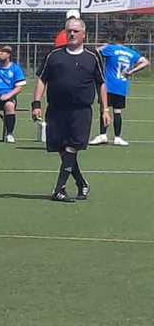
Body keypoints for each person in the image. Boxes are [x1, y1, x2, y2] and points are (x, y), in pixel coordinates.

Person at [31, 18, 109, 202]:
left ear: (84, 34)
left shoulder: (92, 56)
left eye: (75, 31)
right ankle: (82, 183)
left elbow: (101, 83)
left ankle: (59, 189)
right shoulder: (54, 55)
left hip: (80, 111)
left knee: (71, 147)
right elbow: (42, 79)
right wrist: (36, 104)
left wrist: (105, 109)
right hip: (56, 110)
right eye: (69, 31)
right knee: (62, 149)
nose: (72, 34)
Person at [91, 21, 149, 146]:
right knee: (117, 111)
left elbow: (95, 52)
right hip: (121, 86)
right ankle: (117, 137)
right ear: (125, 37)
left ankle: (103, 135)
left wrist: (104, 46)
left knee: (104, 109)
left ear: (113, 36)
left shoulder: (110, 49)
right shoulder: (131, 52)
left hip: (108, 85)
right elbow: (145, 62)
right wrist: (131, 71)